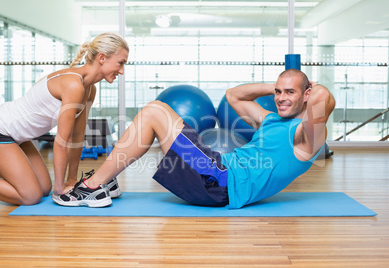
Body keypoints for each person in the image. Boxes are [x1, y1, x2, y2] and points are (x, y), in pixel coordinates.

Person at [53, 69, 335, 209]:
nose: (281, 98)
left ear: (307, 94)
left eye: (290, 93)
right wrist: (279, 84)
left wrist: (308, 88)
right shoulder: (271, 119)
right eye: (278, 92)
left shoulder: (303, 138)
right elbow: (233, 95)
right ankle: (106, 181)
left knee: (154, 111)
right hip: (217, 170)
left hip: (221, 183)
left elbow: (325, 97)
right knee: (155, 110)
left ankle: (93, 186)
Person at [0, 32, 129, 205]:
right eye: (120, 63)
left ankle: (18, 177)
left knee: (43, 187)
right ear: (101, 58)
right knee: (31, 196)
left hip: (19, 136)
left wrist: (71, 181)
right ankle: (21, 180)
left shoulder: (90, 90)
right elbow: (62, 141)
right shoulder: (73, 85)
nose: (121, 71)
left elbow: (77, 137)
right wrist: (60, 190)